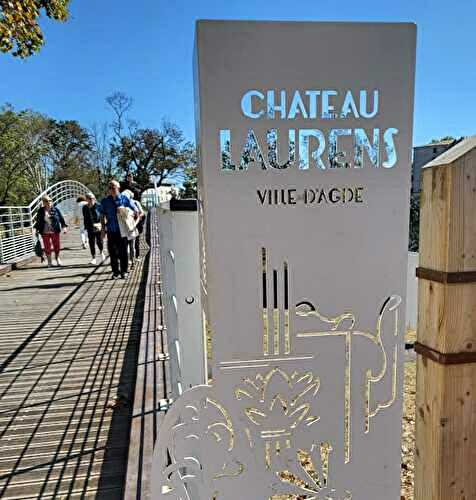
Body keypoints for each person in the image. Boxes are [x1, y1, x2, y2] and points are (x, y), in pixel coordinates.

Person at [100, 180, 139, 279]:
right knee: (112, 252)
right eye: (109, 188)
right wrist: (103, 229)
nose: (111, 189)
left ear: (118, 188)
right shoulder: (105, 201)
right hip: (111, 230)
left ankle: (124, 271)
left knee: (123, 252)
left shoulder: (124, 198)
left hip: (122, 230)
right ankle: (115, 272)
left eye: (113, 187)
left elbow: (135, 210)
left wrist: (131, 215)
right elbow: (102, 215)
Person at [34, 195, 68, 267]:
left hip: (54, 230)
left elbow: (61, 218)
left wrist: (64, 227)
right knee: (47, 247)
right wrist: (36, 230)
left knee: (57, 245)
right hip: (44, 231)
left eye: (50, 200)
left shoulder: (55, 209)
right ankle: (49, 261)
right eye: (46, 201)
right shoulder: (40, 211)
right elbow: (38, 221)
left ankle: (57, 258)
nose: (49, 202)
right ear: (43, 202)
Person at [122, 189, 145, 266]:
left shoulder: (135, 203)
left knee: (135, 243)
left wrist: (134, 218)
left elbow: (141, 213)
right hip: (125, 226)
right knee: (128, 245)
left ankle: (135, 258)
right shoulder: (122, 204)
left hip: (134, 225)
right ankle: (130, 260)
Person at [83, 193, 106, 265]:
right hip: (90, 227)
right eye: (89, 198)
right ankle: (93, 258)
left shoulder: (98, 206)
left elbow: (103, 215)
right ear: (86, 199)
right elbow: (85, 217)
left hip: (98, 226)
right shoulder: (85, 207)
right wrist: (86, 226)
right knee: (91, 242)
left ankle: (101, 252)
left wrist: (102, 225)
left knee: (99, 241)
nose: (91, 200)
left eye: (93, 198)